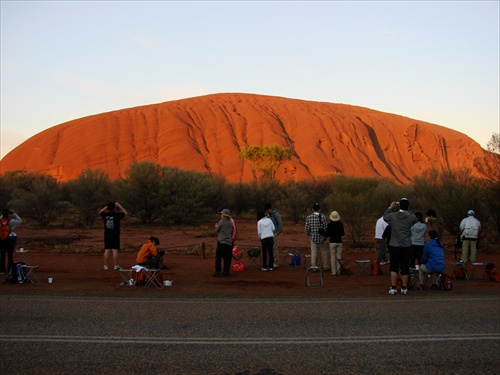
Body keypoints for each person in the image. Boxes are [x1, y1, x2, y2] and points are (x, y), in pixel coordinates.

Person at [383, 198, 418, 295]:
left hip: (394, 245)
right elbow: (415, 218)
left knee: (394, 267)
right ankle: (404, 287)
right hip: (406, 245)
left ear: (399, 205)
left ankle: (393, 287)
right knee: (405, 267)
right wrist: (407, 209)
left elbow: (385, 217)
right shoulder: (410, 217)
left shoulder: (393, 216)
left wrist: (390, 207)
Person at [100, 201, 127, 271]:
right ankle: (115, 265)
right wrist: (119, 206)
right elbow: (125, 213)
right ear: (114, 208)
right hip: (115, 235)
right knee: (115, 250)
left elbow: (101, 212)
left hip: (107, 235)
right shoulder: (117, 215)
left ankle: (106, 265)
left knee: (107, 250)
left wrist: (107, 206)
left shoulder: (105, 215)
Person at [305, 203, 329, 271]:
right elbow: (325, 227)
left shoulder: (309, 217)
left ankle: (314, 267)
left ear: (312, 209)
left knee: (313, 252)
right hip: (321, 237)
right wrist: (325, 235)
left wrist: (309, 234)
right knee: (323, 251)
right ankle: (325, 266)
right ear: (319, 209)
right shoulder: (323, 217)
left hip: (313, 237)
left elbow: (307, 227)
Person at [0, 208, 22, 275]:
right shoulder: (11, 221)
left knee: (2, 254)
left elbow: (2, 216)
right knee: (10, 255)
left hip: (1, 239)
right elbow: (20, 220)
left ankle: (2, 270)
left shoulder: (0, 220)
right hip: (9, 240)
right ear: (9, 214)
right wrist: (14, 214)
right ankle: (10, 270)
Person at [213, 209, 233, 277]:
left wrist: (216, 226)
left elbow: (216, 231)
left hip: (221, 241)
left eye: (221, 214)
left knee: (218, 257)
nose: (220, 215)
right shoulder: (230, 223)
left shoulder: (221, 222)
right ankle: (226, 272)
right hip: (229, 242)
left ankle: (218, 272)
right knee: (226, 258)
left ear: (224, 215)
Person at [326, 210, 345, 275]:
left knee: (333, 256)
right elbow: (343, 233)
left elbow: (327, 234)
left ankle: (334, 271)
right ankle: (338, 271)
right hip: (339, 241)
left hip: (332, 242)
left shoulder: (329, 225)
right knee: (339, 256)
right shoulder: (340, 224)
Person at [264, 203, 283, 268]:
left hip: (274, 233)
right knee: (268, 248)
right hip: (268, 234)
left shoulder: (276, 214)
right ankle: (268, 261)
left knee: (274, 248)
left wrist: (277, 232)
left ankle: (276, 262)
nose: (266, 211)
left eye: (267, 210)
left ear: (270, 209)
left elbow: (280, 224)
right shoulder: (266, 215)